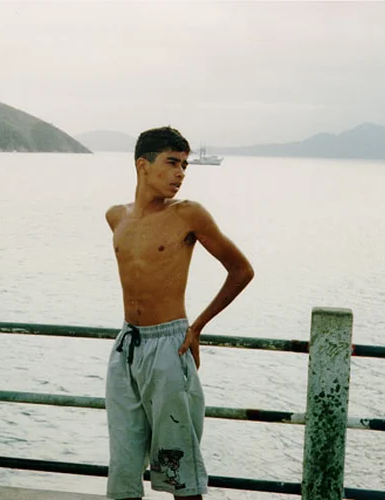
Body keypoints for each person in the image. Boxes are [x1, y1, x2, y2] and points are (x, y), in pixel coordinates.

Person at [104, 127, 254, 499]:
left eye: (185, 165)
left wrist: (198, 326)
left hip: (170, 347)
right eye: (172, 162)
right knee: (123, 468)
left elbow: (241, 270)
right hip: (127, 348)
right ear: (143, 164)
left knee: (178, 467)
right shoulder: (115, 217)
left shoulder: (189, 214)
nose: (181, 173)